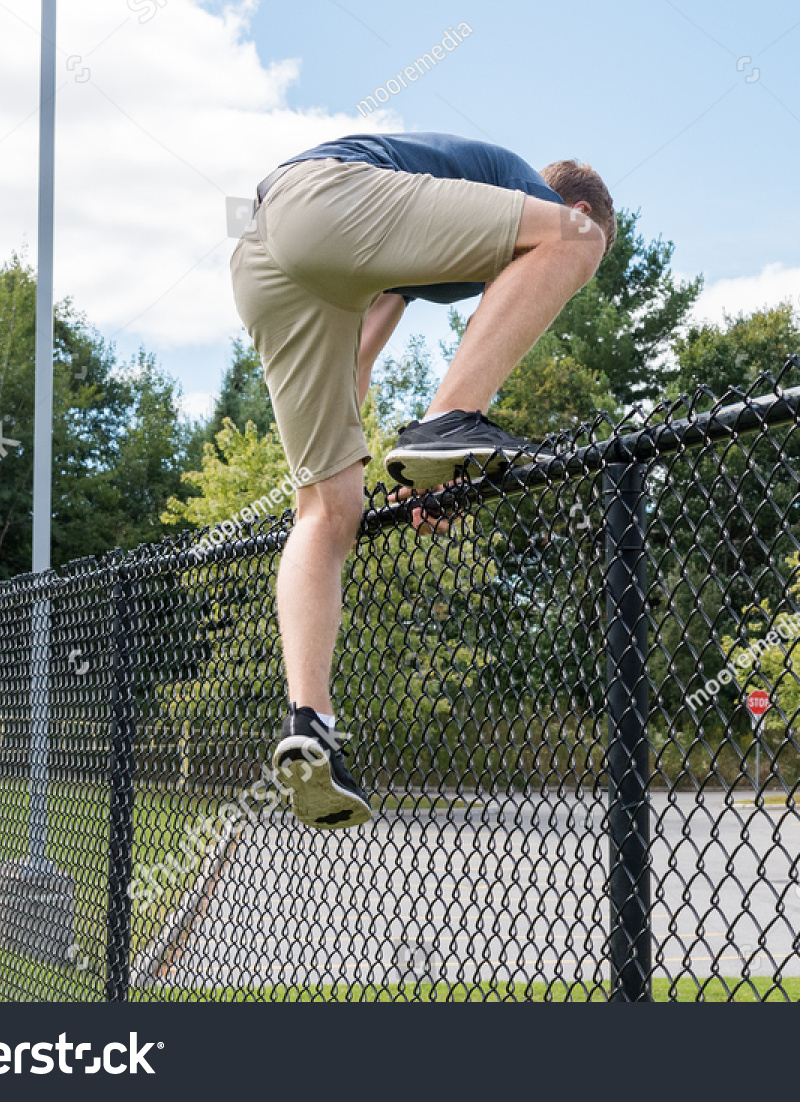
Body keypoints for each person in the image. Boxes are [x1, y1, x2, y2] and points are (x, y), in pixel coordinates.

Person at [230, 132, 614, 829]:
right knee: (575, 242)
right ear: (576, 198)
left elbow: (359, 356)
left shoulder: (417, 227)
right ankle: (449, 419)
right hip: (319, 197)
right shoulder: (524, 188)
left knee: (325, 510)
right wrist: (448, 428)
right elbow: (551, 257)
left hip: (265, 258)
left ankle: (309, 722)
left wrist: (423, 470)